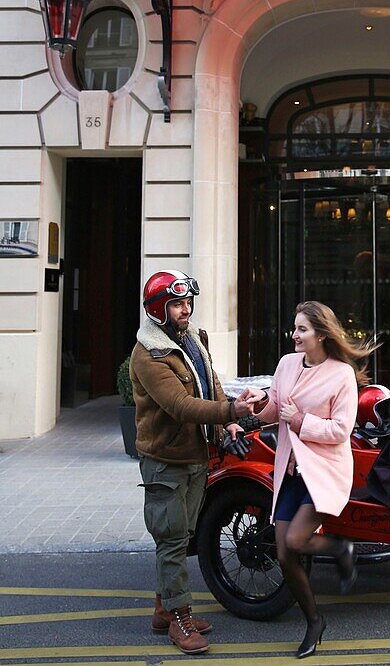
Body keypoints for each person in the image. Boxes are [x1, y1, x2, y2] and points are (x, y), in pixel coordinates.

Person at [130, 269, 254, 656]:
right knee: (171, 538)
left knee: (181, 539)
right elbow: (180, 406)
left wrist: (229, 422)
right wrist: (230, 409)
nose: (186, 310)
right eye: (177, 304)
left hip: (196, 456)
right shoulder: (148, 354)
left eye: (187, 303)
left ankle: (163, 609)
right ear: (157, 310)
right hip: (166, 460)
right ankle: (179, 619)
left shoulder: (191, 339)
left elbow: (210, 382)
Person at [242, 301, 374, 659]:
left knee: (297, 541)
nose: (294, 335)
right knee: (284, 554)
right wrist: (258, 403)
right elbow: (276, 411)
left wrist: (301, 421)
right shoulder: (286, 364)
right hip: (291, 470)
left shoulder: (341, 374)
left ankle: (342, 549)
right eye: (294, 328)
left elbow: (341, 430)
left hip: (324, 471)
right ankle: (314, 621)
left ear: (322, 334)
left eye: (302, 329)